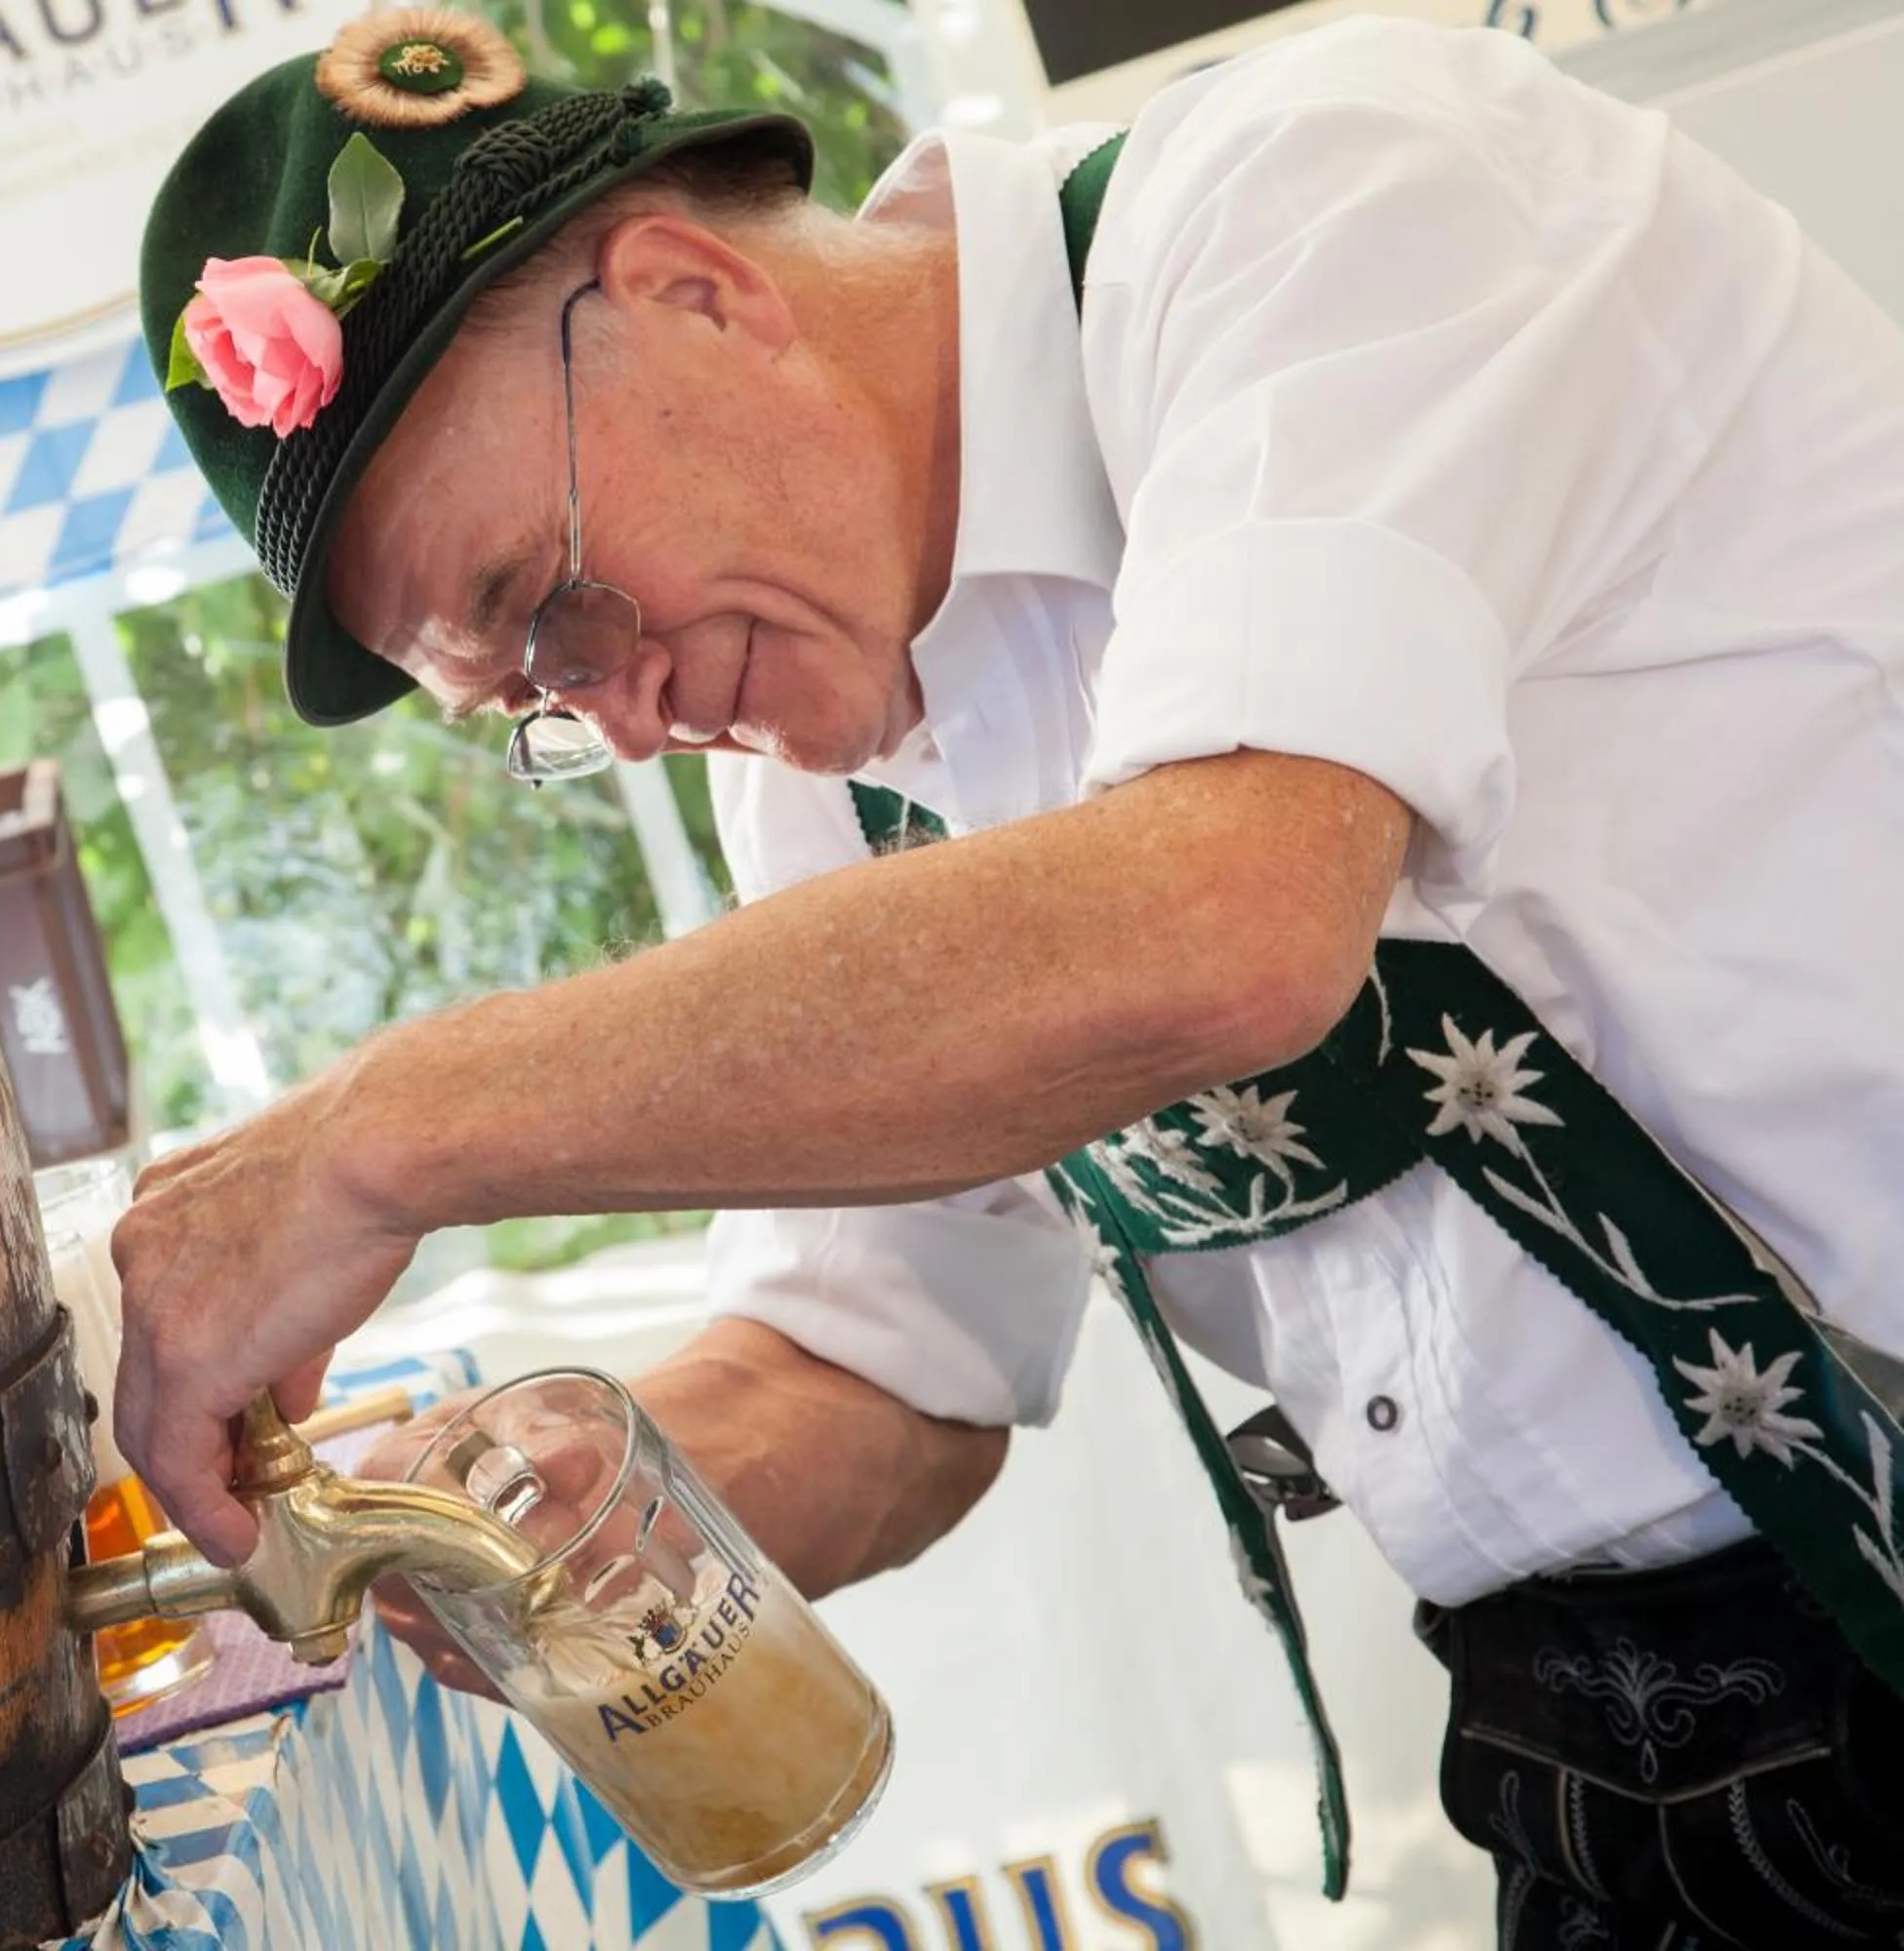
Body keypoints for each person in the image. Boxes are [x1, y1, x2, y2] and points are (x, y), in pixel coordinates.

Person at [112, 8, 1904, 1941]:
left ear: (698, 292)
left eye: (551, 604)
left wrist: (382, 1135)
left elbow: (1220, 919)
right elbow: (886, 1372)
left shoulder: (1322, 199)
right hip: (1602, 1759)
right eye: (536, 701)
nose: (616, 719)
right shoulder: (817, 758)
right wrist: (583, 1495)